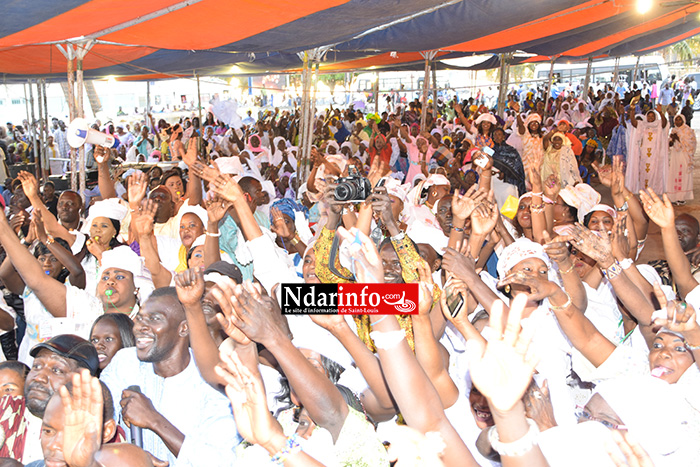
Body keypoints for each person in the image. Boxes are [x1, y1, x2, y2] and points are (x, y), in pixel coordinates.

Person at [100, 287, 240, 466]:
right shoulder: (125, 362)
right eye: (141, 318)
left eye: (155, 319)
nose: (140, 328)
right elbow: (94, 427)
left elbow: (218, 462)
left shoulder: (213, 379)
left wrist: (154, 420)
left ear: (183, 328)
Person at [667, 114, 696, 204]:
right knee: (674, 174)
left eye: (679, 120)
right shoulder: (674, 130)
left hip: (684, 156)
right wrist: (671, 140)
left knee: (682, 175)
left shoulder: (688, 130)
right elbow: (670, 144)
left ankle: (682, 197)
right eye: (676, 120)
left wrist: (678, 138)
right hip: (675, 155)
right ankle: (674, 197)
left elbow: (691, 143)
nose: (678, 121)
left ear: (683, 120)